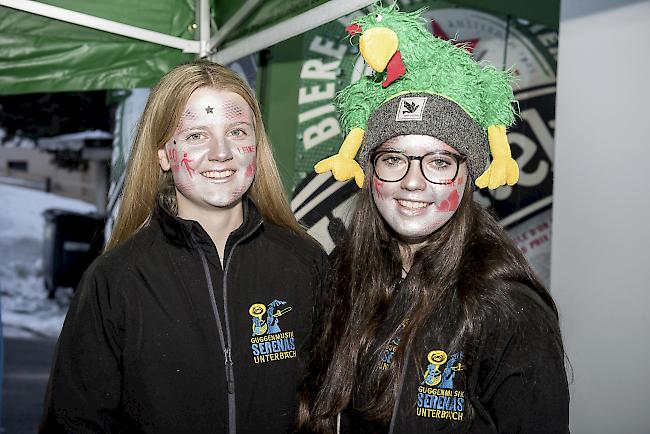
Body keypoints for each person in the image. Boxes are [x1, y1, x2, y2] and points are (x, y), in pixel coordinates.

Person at [298, 6, 568, 433]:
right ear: (369, 173)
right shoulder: (344, 276)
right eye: (393, 159)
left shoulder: (507, 308)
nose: (412, 182)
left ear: (468, 175)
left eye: (439, 162)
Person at [41, 60, 326, 433]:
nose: (221, 152)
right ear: (162, 153)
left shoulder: (305, 262)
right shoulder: (117, 279)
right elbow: (74, 422)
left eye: (238, 132)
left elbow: (332, 403)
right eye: (196, 136)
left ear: (257, 144)